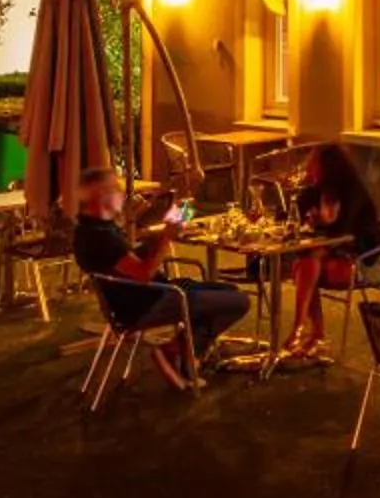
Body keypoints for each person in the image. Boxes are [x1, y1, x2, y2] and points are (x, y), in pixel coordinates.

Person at [69, 166, 251, 388]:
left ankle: (185, 356)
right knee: (239, 301)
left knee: (228, 293)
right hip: (146, 304)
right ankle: (172, 351)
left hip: (148, 296)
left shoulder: (90, 229)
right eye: (116, 189)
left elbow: (130, 259)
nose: (122, 193)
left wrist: (176, 213)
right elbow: (143, 274)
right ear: (101, 197)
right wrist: (166, 237)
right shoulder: (101, 237)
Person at [285, 142, 380, 360]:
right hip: (331, 256)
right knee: (305, 264)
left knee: (307, 266)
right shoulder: (314, 192)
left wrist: (319, 229)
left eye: (313, 164)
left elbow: (345, 232)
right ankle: (312, 334)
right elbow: (288, 219)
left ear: (328, 167)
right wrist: (297, 203)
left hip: (365, 260)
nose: (308, 168)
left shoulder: (353, 192)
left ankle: (302, 330)